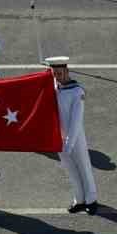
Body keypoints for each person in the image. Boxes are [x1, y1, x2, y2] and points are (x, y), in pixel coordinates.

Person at [43, 56, 99, 215]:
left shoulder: (77, 91)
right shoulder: (53, 87)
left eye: (59, 73)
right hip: (58, 136)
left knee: (83, 167)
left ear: (67, 71)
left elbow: (76, 121)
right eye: (54, 73)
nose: (57, 76)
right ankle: (79, 199)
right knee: (70, 169)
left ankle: (91, 199)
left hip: (75, 137)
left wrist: (69, 143)